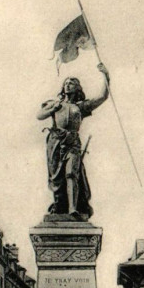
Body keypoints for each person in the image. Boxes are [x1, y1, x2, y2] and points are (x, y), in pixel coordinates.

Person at [37, 62, 110, 221]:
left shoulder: (81, 107)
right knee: (56, 178)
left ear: (78, 88)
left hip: (73, 143)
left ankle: (73, 209)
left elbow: (103, 96)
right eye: (66, 83)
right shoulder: (56, 104)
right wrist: (53, 109)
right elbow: (39, 115)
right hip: (56, 143)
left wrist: (106, 75)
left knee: (71, 173)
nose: (68, 84)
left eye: (72, 83)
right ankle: (60, 205)